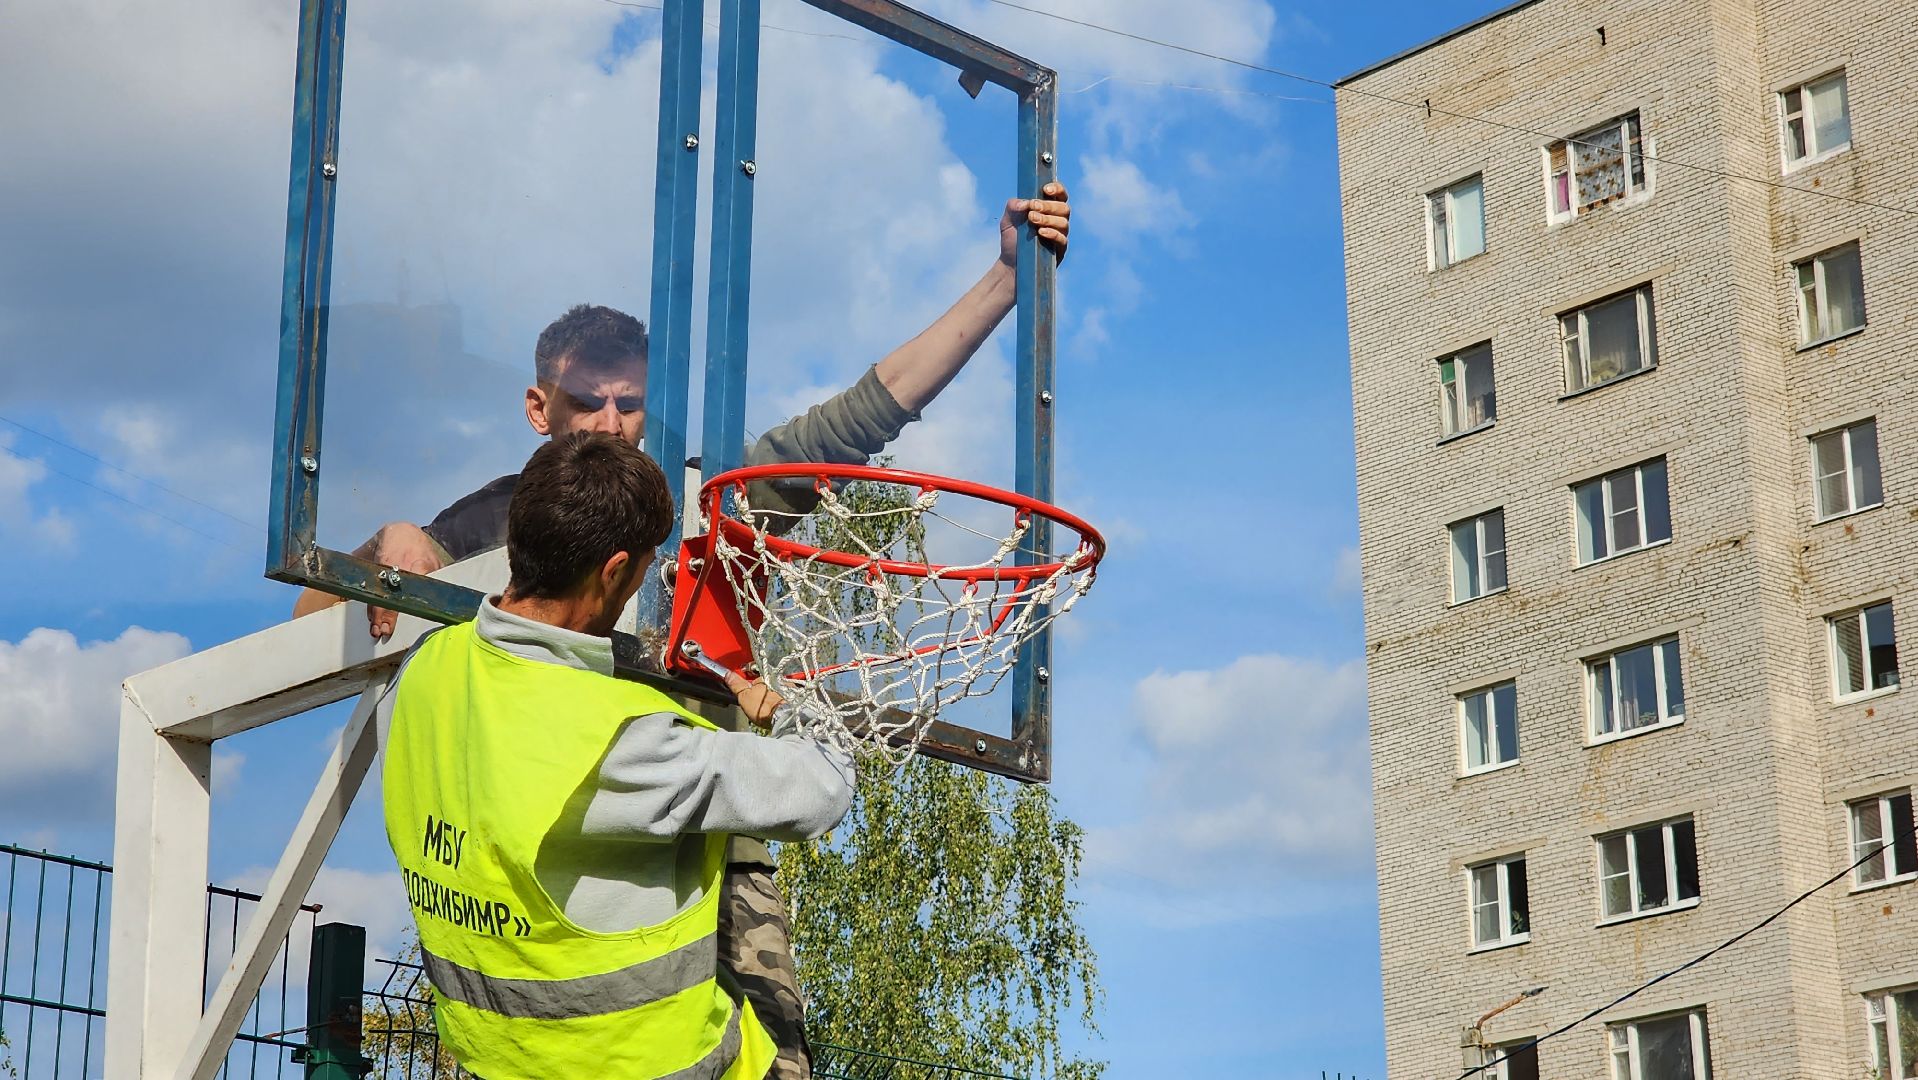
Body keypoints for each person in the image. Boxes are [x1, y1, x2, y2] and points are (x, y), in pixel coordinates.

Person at [297, 184, 1071, 1078]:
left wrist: (1004, 283)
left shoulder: (709, 501)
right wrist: (375, 556)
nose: (612, 422)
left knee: (768, 1056)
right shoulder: (495, 524)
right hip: (555, 864)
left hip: (709, 836)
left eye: (630, 402)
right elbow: (305, 632)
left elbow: (869, 408)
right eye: (587, 400)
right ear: (537, 408)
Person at [376, 431, 855, 1079]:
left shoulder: (423, 673)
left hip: (493, 1061)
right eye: (641, 573)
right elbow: (822, 791)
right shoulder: (624, 740)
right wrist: (800, 708)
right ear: (613, 572)